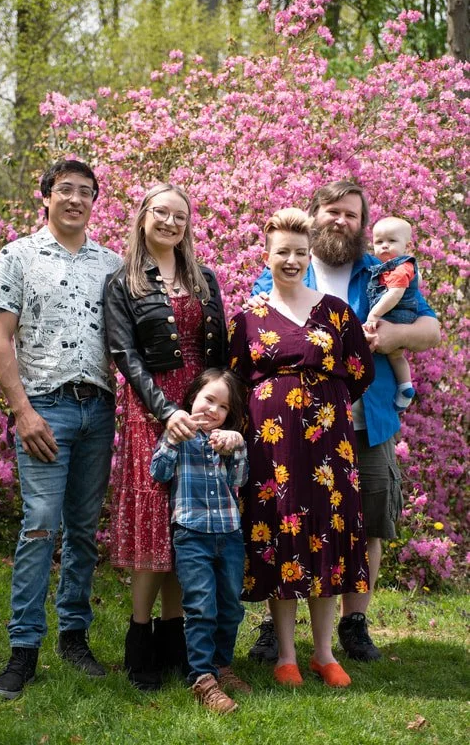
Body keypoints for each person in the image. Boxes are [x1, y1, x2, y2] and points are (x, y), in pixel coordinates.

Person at [249, 182, 440, 664]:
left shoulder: (384, 273)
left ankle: (354, 623)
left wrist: (393, 332)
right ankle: (277, 627)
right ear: (314, 217)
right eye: (332, 211)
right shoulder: (286, 265)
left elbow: (431, 329)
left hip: (366, 419)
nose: (341, 221)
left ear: (363, 224)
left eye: (352, 215)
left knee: (369, 519)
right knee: (289, 514)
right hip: (295, 427)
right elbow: (254, 327)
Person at [0, 159, 122, 699]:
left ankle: (74, 635)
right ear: (45, 197)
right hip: (45, 409)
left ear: (94, 203)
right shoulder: (16, 256)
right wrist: (22, 411)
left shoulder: (112, 264)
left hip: (100, 410)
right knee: (41, 524)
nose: (75, 199)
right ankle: (23, 649)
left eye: (85, 192)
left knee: (84, 530)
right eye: (65, 189)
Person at [229, 208, 375, 688]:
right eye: (281, 253)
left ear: (308, 254)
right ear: (266, 256)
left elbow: (360, 371)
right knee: (283, 537)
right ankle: (287, 655)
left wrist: (322, 405)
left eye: (298, 252)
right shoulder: (248, 318)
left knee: (328, 537)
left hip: (328, 445)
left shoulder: (335, 310)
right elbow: (234, 381)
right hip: (273, 450)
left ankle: (326, 654)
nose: (290, 260)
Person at [103, 184, 228, 691]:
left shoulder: (205, 278)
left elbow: (217, 354)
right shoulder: (123, 283)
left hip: (200, 412)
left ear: (187, 225)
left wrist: (214, 409)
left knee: (190, 528)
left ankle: (178, 640)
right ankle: (140, 644)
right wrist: (165, 409)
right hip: (152, 412)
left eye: (180, 216)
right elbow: (124, 356)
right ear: (143, 218)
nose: (170, 222)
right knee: (154, 526)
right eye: (161, 213)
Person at [151, 368, 250, 713]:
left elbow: (240, 478)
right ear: (193, 397)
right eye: (208, 399)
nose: (212, 410)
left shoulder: (225, 441)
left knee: (230, 607)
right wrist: (172, 439)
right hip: (192, 535)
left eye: (222, 406)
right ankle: (203, 678)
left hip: (229, 534)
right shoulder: (178, 435)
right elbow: (159, 473)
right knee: (201, 607)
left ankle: (223, 665)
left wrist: (237, 445)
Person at [365, 216, 419, 412]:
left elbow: (395, 294)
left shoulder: (401, 266)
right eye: (379, 242)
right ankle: (405, 387)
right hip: (398, 315)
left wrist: (374, 315)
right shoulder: (395, 267)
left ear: (408, 245)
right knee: (396, 356)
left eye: (392, 241)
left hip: (395, 315)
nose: (385, 246)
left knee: (371, 344)